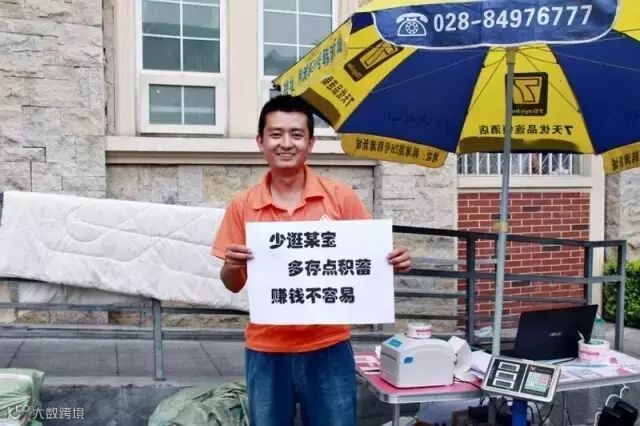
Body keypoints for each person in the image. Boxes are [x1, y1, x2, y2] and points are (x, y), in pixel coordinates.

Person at [212, 95, 411, 426]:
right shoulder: (242, 204)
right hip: (266, 348)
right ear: (261, 141)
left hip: (328, 346)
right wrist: (233, 266)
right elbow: (232, 284)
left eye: (296, 134)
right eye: (276, 134)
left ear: (311, 143)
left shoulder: (340, 197)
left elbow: (369, 261)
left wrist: (394, 260)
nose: (286, 143)